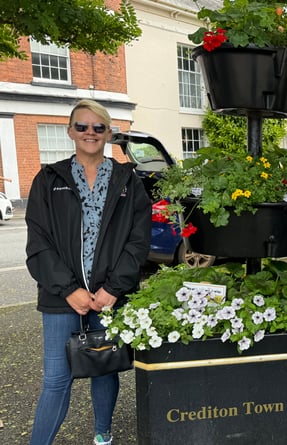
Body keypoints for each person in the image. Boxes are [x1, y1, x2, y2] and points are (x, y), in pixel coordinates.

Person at [25, 99, 152, 445]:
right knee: (55, 379)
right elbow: (38, 244)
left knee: (105, 368)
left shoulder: (129, 182)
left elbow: (138, 241)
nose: (90, 133)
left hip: (110, 296)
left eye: (99, 127)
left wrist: (114, 288)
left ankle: (103, 435)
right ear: (70, 132)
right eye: (82, 126)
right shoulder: (48, 180)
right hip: (60, 297)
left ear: (109, 133)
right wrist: (69, 290)